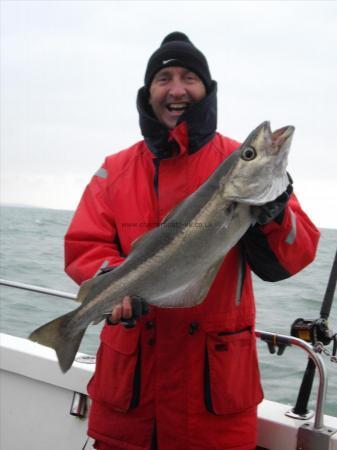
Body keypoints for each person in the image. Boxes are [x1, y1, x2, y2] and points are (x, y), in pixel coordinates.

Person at [64, 32, 320, 450]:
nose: (177, 89)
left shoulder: (237, 160)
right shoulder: (115, 170)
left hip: (211, 407)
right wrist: (110, 280)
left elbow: (294, 257)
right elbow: (84, 245)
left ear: (206, 90)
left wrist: (275, 212)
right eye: (164, 77)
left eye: (189, 78)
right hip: (130, 403)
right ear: (149, 92)